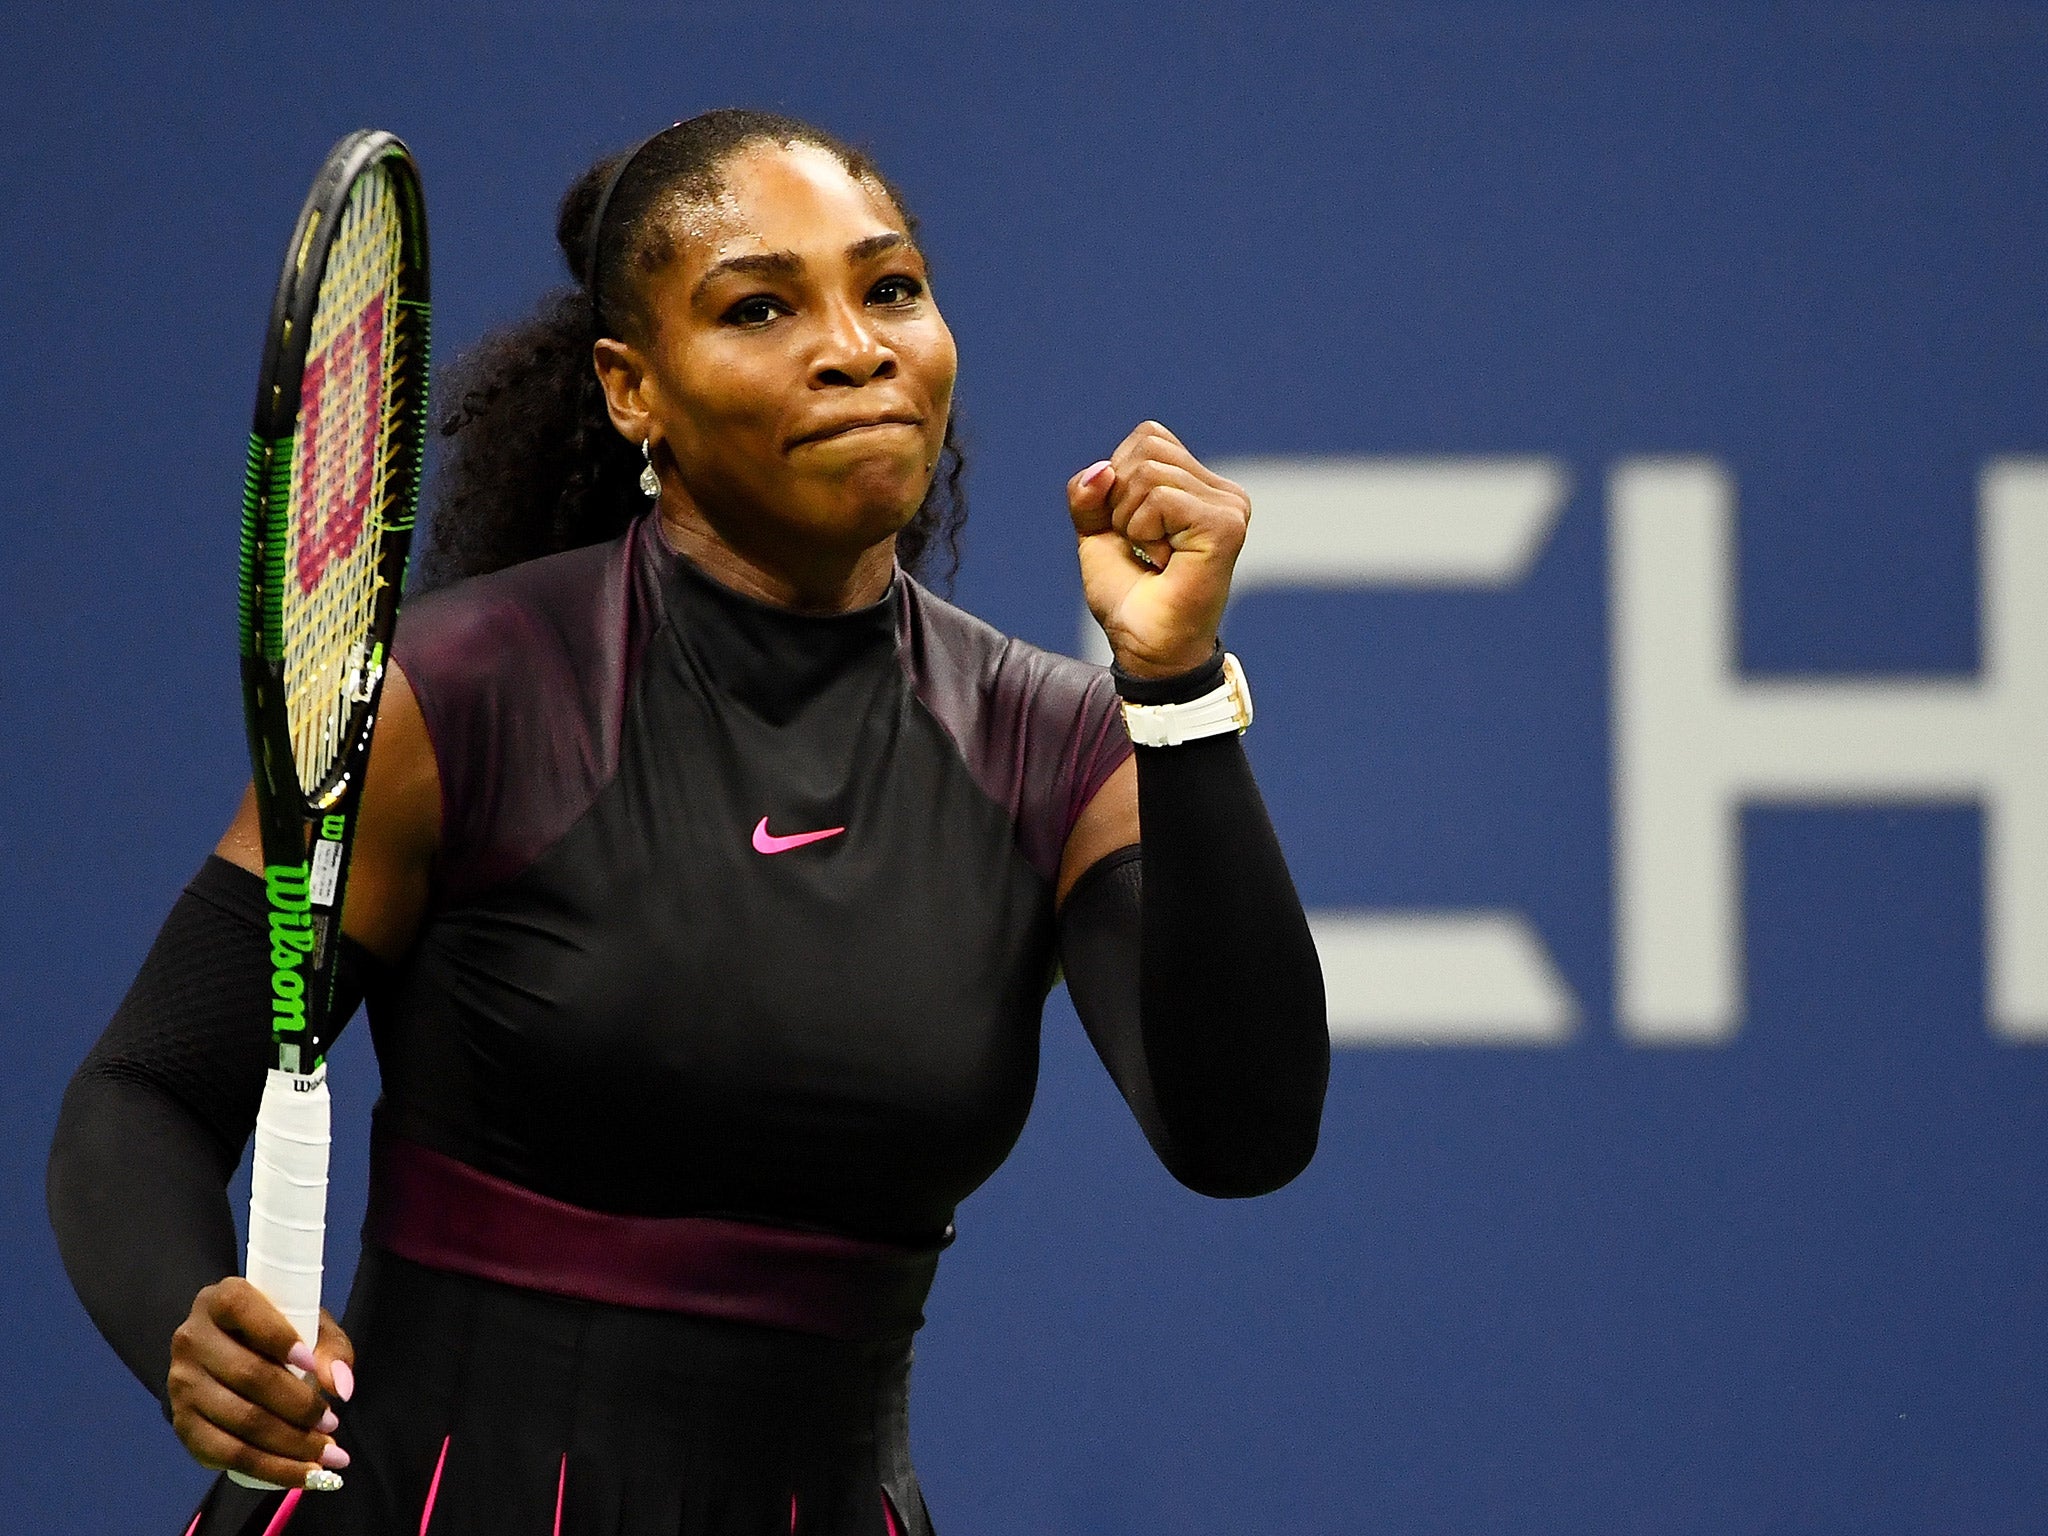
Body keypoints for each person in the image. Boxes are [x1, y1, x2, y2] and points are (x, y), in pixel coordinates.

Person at [49, 109, 1328, 1536]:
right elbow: (143, 1098)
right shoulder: (457, 698)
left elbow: (1242, 1134)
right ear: (632, 389)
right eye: (761, 307)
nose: (856, 346)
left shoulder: (1058, 745)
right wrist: (189, 1317)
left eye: (890, 287)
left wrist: (1176, 691)